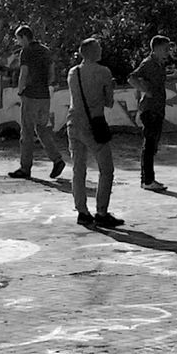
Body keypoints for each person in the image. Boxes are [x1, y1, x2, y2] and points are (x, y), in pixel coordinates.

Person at [66, 36, 123, 228]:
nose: (101, 50)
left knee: (78, 169)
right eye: (98, 48)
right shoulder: (103, 72)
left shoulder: (73, 72)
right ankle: (101, 211)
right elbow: (108, 102)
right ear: (92, 52)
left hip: (73, 123)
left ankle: (82, 211)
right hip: (93, 125)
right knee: (106, 169)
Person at [7, 24, 65, 180]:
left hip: (31, 95)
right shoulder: (45, 50)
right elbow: (52, 71)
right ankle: (57, 159)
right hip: (44, 96)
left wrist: (20, 91)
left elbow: (24, 73)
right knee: (42, 129)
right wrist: (48, 86)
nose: (18, 42)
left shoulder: (26, 51)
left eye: (19, 39)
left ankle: (25, 168)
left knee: (26, 132)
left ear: (24, 37)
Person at [128, 35, 173, 192]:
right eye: (165, 48)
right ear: (156, 48)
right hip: (150, 109)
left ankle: (148, 178)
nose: (168, 52)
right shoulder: (149, 63)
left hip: (157, 109)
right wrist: (145, 91)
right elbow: (132, 78)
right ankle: (147, 180)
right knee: (149, 145)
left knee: (152, 145)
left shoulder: (159, 65)